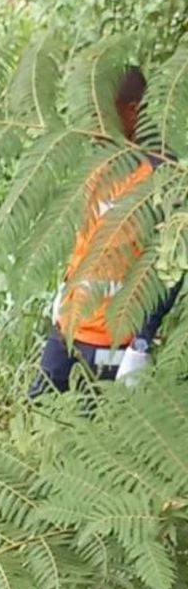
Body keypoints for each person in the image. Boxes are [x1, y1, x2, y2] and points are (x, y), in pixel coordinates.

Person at [31, 67, 181, 397]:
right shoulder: (102, 165)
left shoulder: (163, 178)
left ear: (133, 111)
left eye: (102, 115)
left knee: (88, 441)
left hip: (113, 343)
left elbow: (169, 268)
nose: (94, 126)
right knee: (39, 424)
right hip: (66, 331)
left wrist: (141, 345)